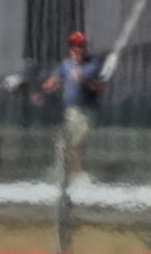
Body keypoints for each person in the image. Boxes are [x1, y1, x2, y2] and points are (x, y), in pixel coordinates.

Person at [36, 31, 103, 181]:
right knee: (65, 143)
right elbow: (53, 80)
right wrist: (43, 90)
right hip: (70, 112)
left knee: (74, 144)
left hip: (86, 112)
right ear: (70, 48)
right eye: (74, 45)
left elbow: (100, 87)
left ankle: (77, 175)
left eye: (81, 45)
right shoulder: (65, 65)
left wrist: (85, 80)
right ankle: (68, 175)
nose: (78, 48)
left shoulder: (92, 65)